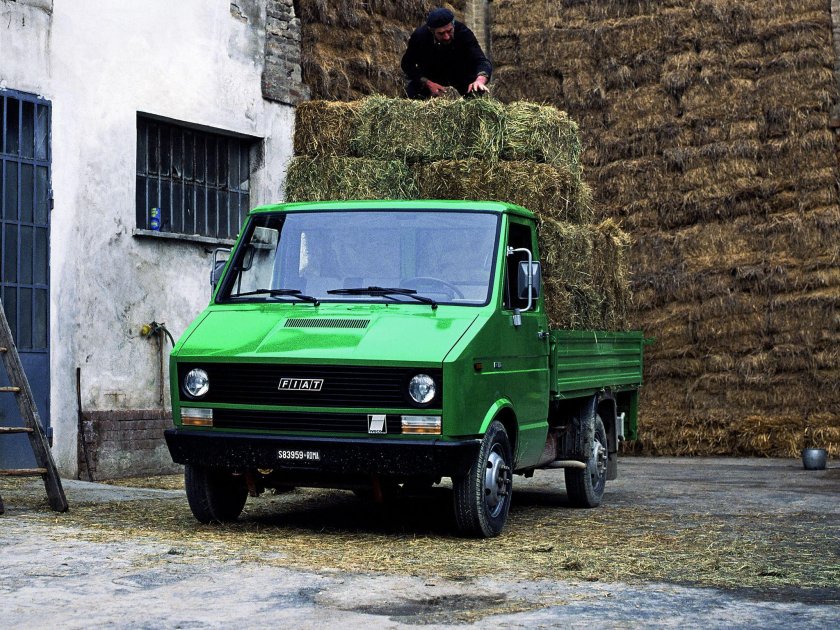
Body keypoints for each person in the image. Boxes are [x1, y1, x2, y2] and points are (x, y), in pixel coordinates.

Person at [401, 8, 492, 99]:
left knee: (475, 93)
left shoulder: (464, 33)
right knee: (412, 92)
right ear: (432, 31)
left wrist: (480, 80)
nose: (447, 37)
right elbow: (407, 64)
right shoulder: (419, 37)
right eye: (441, 33)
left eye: (449, 31)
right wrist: (428, 83)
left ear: (453, 26)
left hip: (461, 77)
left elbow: (482, 61)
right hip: (432, 78)